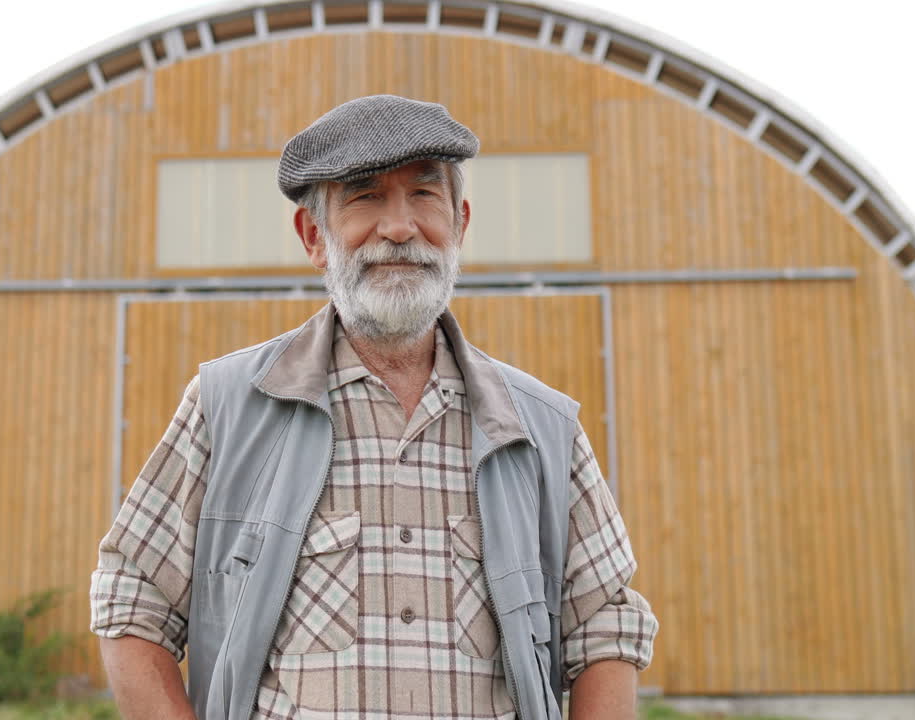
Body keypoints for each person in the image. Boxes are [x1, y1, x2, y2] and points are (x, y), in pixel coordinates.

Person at [90, 94, 658, 720]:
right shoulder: (227, 407)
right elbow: (132, 597)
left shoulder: (544, 429)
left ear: (459, 223)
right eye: (364, 197)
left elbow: (604, 628)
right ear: (315, 236)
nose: (398, 227)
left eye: (423, 195)